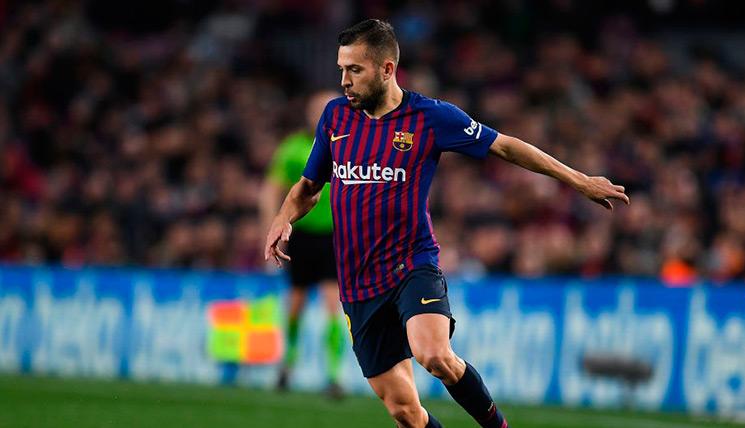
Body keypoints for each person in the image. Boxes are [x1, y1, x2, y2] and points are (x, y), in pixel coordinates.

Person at [264, 19, 629, 428]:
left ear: (387, 69)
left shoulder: (430, 117)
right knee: (405, 412)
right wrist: (282, 218)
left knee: (434, 354)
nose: (344, 81)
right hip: (358, 280)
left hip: (411, 265)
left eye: (354, 70)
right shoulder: (335, 118)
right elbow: (308, 187)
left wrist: (579, 180)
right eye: (341, 70)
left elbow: (506, 146)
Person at [259, 90, 346, 398]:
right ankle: (288, 365)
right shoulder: (293, 148)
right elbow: (271, 189)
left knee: (331, 303)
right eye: (316, 110)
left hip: (334, 235)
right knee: (296, 303)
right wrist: (272, 227)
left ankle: (333, 375)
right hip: (300, 235)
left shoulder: (348, 145)